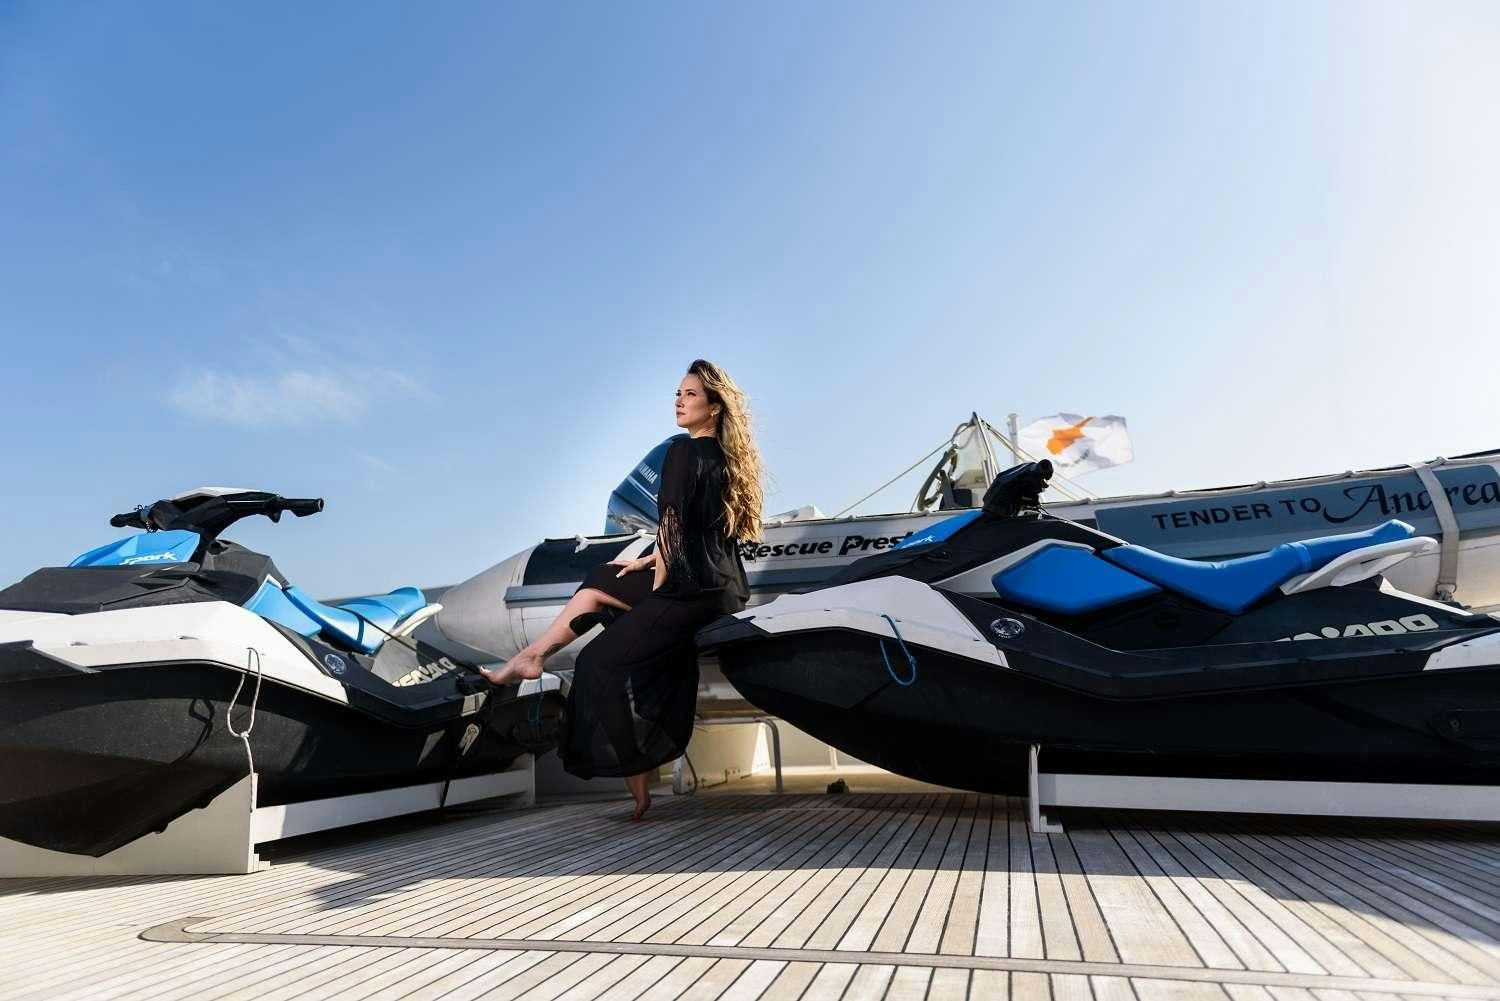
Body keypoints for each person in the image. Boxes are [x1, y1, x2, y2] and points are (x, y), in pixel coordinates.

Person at [481, 359, 761, 820]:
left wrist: (659, 581)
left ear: (714, 408)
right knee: (599, 582)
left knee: (598, 662)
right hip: (722, 588)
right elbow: (704, 534)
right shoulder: (727, 460)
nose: (679, 400)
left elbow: (671, 526)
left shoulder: (681, 452)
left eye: (690, 394)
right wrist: (648, 560)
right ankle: (533, 656)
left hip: (689, 593)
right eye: (678, 392)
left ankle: (636, 772)